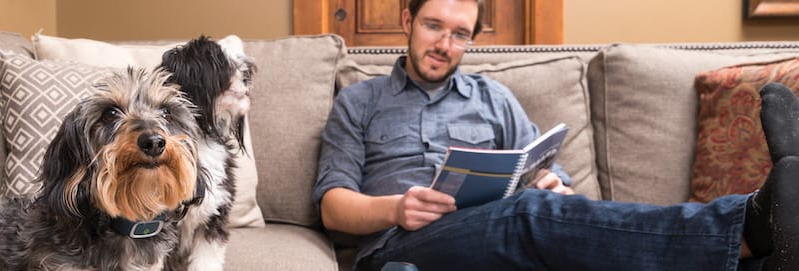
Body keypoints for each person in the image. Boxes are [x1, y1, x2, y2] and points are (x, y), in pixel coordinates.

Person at [312, 0, 799, 270]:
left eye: (459, 33)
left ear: (472, 39)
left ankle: (765, 260)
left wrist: (553, 183)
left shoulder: (492, 98)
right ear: (406, 21)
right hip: (397, 244)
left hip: (489, 242)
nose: (444, 44)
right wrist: (397, 207)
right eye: (433, 26)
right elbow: (332, 204)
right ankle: (752, 223)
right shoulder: (360, 101)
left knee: (545, 215)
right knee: (530, 215)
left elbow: (542, 167)